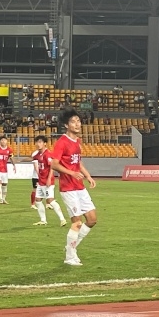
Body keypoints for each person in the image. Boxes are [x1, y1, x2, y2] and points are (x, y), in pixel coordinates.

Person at [50, 107, 97, 266]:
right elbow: (54, 164)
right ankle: (70, 257)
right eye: (73, 121)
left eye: (78, 121)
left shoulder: (77, 141)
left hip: (79, 186)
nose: (77, 124)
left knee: (92, 219)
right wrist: (71, 173)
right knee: (77, 223)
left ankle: (71, 246)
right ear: (66, 125)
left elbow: (78, 161)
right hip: (68, 188)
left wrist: (88, 176)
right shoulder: (61, 142)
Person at [31, 135, 67, 227]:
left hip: (48, 182)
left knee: (50, 200)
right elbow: (33, 159)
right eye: (37, 142)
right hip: (41, 181)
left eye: (40, 142)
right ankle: (43, 220)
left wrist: (49, 179)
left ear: (45, 143)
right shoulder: (38, 155)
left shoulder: (48, 154)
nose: (38, 144)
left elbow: (52, 167)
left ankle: (62, 219)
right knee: (38, 200)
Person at [0, 135, 16, 204]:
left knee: (5, 184)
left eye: (4, 140)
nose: (3, 141)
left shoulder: (9, 150)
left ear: (6, 141)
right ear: (0, 141)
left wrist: (14, 165)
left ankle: (4, 199)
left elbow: (11, 158)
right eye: (2, 140)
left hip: (4, 169)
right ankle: (0, 199)